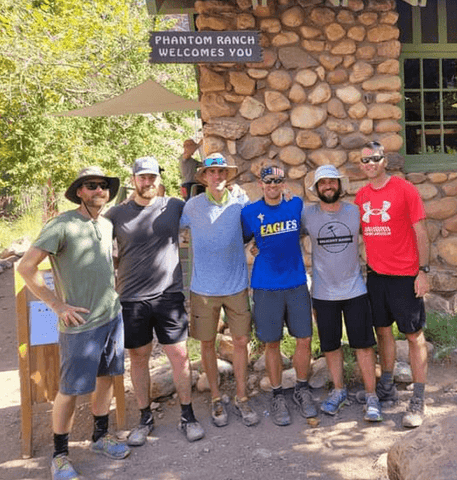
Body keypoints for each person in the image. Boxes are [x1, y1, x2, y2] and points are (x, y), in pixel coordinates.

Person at [17, 167, 130, 480]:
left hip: (111, 316)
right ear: (80, 191)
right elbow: (26, 267)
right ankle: (60, 455)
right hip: (80, 325)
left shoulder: (105, 224)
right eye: (91, 185)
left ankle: (100, 437)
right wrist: (56, 304)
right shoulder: (62, 224)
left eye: (104, 186)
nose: (99, 190)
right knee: (69, 390)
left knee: (107, 377)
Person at [105, 156, 204, 444]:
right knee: (138, 358)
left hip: (169, 295)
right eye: (142, 177)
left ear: (159, 178)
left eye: (152, 177)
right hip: (132, 299)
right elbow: (96, 241)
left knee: (180, 356)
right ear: (133, 179)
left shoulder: (174, 206)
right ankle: (144, 417)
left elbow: (204, 212)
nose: (147, 182)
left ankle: (188, 415)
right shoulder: (116, 215)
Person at [180, 153, 259, 428]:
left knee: (240, 342)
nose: (217, 177)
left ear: (228, 176)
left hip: (236, 285)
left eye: (222, 172)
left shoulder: (240, 203)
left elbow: (256, 227)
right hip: (203, 288)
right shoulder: (191, 207)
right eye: (211, 172)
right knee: (207, 344)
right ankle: (215, 397)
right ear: (203, 177)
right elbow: (171, 231)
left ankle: (241, 396)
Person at [355, 141, 430, 428]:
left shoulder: (404, 190)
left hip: (404, 275)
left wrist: (422, 271)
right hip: (376, 276)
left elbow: (420, 231)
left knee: (413, 335)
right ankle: (387, 387)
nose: (370, 164)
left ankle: (418, 398)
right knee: (383, 331)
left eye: (374, 158)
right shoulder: (361, 196)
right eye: (364, 160)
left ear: (384, 160)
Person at [303, 165, 382, 422]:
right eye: (323, 182)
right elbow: (280, 233)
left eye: (332, 182)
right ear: (316, 189)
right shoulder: (307, 215)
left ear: (340, 185)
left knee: (364, 345)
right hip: (324, 292)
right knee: (331, 345)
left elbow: (377, 234)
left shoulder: (355, 212)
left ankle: (371, 396)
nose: (328, 186)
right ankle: (339, 391)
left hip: (355, 289)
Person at [240, 166, 317, 426]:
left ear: (284, 184)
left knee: (304, 339)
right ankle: (277, 394)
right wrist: (252, 247)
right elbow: (244, 239)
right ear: (260, 184)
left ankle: (302, 388)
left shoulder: (295, 205)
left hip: (295, 282)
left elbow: (304, 231)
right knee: (271, 343)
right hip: (265, 285)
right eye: (268, 181)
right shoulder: (249, 212)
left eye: (277, 181)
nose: (272, 185)